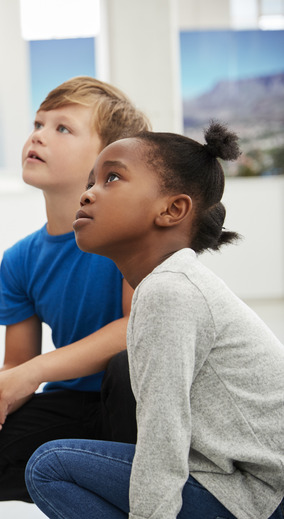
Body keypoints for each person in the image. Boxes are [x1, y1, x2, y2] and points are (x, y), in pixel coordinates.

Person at [24, 122, 284, 518]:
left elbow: (164, 441)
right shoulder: (170, 283)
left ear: (172, 209)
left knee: (52, 465)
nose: (88, 193)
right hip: (245, 483)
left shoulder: (170, 291)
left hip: (263, 495)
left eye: (111, 178)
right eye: (90, 181)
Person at [0, 76, 150, 503]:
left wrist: (32, 373)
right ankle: (99, 495)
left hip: (139, 404)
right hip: (72, 406)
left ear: (106, 159)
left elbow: (137, 328)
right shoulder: (19, 259)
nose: (38, 135)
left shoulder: (130, 237)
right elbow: (16, 363)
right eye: (38, 123)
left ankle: (137, 491)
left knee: (125, 367)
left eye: (62, 128)